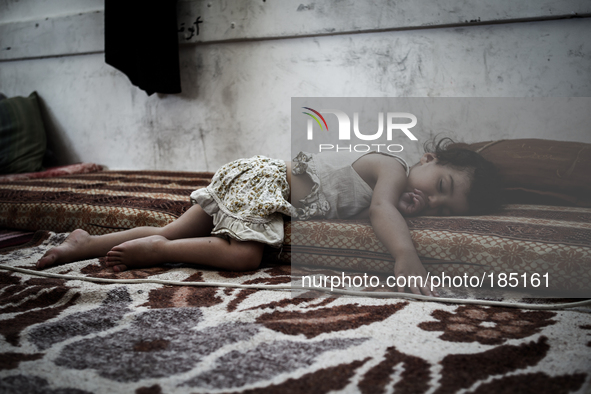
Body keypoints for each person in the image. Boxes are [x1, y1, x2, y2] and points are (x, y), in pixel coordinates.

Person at [36, 138, 501, 296]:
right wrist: (405, 257)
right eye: (440, 186)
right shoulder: (394, 169)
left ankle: (85, 243)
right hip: (268, 183)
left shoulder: (402, 180)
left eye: (446, 207)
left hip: (252, 174)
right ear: (425, 160)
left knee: (172, 223)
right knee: (244, 257)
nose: (433, 202)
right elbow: (381, 209)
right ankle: (160, 253)